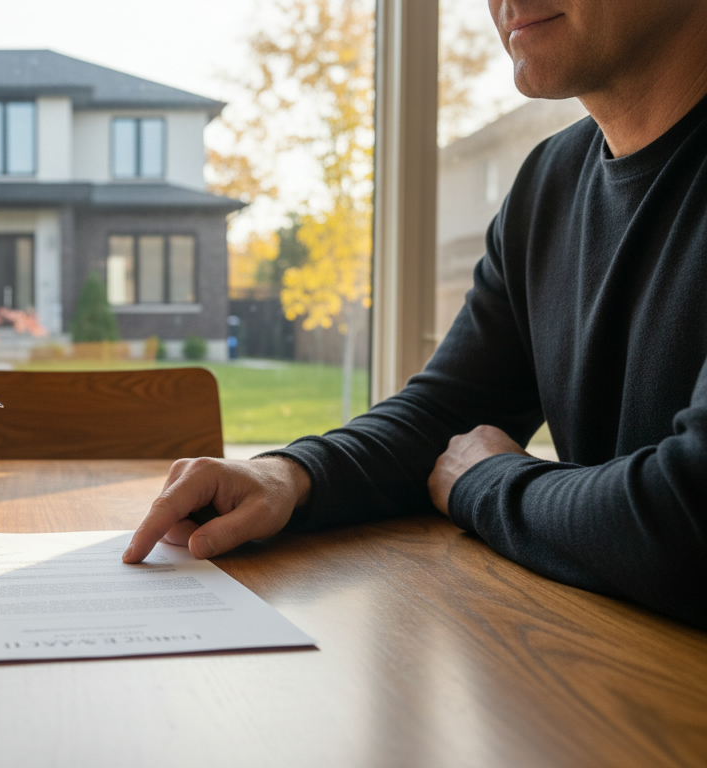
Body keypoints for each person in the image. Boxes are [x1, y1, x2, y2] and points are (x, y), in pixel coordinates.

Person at [125, 0, 707, 630]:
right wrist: (287, 476)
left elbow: (689, 517)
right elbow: (447, 414)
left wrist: (486, 482)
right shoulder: (550, 183)